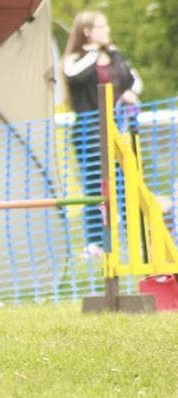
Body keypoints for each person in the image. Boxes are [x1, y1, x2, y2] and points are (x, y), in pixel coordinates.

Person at [62, 11, 142, 259]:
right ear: (87, 31)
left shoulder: (115, 55)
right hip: (89, 132)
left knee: (123, 183)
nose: (107, 30)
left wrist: (129, 93)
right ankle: (95, 243)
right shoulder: (76, 59)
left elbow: (132, 81)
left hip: (118, 129)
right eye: (101, 26)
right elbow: (73, 76)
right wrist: (94, 53)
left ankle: (133, 238)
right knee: (95, 186)